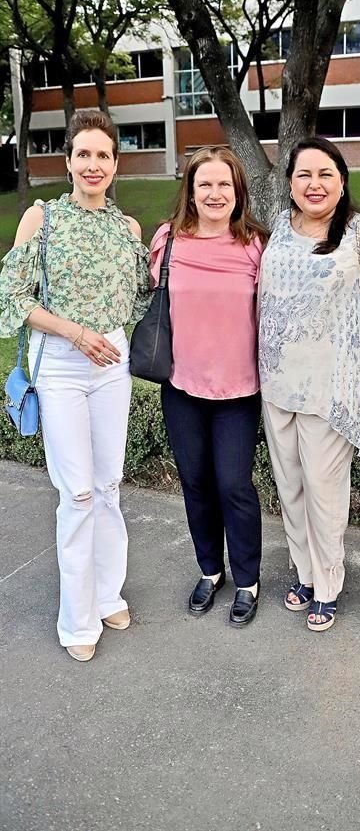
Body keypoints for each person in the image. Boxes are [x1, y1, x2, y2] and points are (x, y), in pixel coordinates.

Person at [0, 109, 151, 662]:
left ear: (115, 165)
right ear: (67, 161)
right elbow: (13, 298)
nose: (93, 165)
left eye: (103, 155)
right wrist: (76, 332)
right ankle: (77, 617)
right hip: (62, 363)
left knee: (109, 485)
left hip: (112, 364)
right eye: (83, 154)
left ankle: (108, 591)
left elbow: (140, 295)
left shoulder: (126, 228)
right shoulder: (42, 219)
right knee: (78, 492)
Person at [258, 136, 360, 632]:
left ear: (342, 180)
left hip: (331, 388)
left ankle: (328, 584)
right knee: (290, 487)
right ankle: (305, 574)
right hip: (276, 384)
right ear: (290, 184)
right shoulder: (277, 229)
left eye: (325, 174)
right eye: (304, 175)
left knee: (323, 490)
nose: (314, 184)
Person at [150, 147, 268, 627]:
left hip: (239, 391)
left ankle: (247, 579)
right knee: (195, 483)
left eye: (225, 184)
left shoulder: (257, 244)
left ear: (238, 191)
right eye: (205, 185)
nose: (215, 193)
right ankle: (209, 569)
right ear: (191, 192)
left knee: (234, 486)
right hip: (182, 386)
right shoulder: (169, 240)